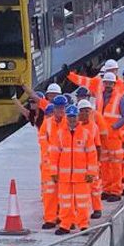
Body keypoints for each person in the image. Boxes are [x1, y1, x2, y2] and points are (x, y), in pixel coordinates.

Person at [50, 104, 99, 235]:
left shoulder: (85, 134)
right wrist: (53, 172)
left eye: (74, 116)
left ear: (78, 117)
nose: (72, 119)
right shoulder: (60, 134)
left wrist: (91, 173)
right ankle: (65, 225)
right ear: (67, 117)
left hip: (82, 176)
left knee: (82, 202)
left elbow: (92, 155)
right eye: (70, 116)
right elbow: (54, 155)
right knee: (65, 202)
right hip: (64, 176)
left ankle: (83, 225)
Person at [99, 72, 124, 202]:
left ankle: (116, 191)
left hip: (114, 137)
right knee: (104, 165)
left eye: (110, 83)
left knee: (115, 165)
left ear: (114, 84)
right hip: (102, 137)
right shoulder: (100, 98)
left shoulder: (120, 99)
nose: (108, 85)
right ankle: (106, 189)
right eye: (106, 83)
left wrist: (114, 127)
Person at [40, 95, 68, 228]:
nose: (60, 111)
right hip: (50, 164)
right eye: (58, 108)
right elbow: (42, 139)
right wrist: (50, 155)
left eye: (62, 108)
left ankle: (66, 220)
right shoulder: (47, 123)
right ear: (54, 108)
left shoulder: (70, 122)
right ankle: (50, 219)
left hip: (65, 164)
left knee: (66, 194)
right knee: (49, 193)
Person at [78, 98, 104, 219]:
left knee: (94, 187)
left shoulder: (94, 127)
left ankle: (97, 209)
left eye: (87, 111)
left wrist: (98, 162)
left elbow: (98, 146)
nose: (85, 113)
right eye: (82, 111)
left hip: (92, 163)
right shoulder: (75, 127)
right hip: (79, 163)